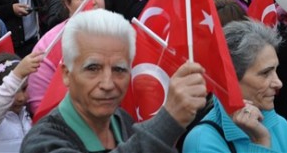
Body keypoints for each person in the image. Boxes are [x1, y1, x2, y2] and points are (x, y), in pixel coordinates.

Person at [21, 8, 208, 152]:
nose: (108, 84)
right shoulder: (42, 142)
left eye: (119, 69)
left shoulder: (122, 121)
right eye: (93, 69)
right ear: (66, 74)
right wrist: (167, 122)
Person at [183, 20, 287, 152]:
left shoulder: (279, 125)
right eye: (265, 73)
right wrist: (261, 142)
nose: (278, 83)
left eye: (275, 70)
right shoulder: (202, 140)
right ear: (230, 79)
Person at [27, 0, 106, 114]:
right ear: (66, 3)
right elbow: (39, 104)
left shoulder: (119, 35)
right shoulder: (50, 43)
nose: (92, 1)